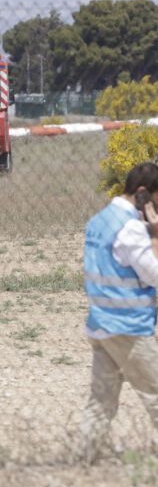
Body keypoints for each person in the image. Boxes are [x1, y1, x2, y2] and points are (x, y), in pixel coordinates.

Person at [81, 162, 158, 462]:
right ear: (142, 194)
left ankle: (87, 458)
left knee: (101, 401)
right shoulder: (131, 228)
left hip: (101, 324)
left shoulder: (99, 220)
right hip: (128, 327)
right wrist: (154, 233)